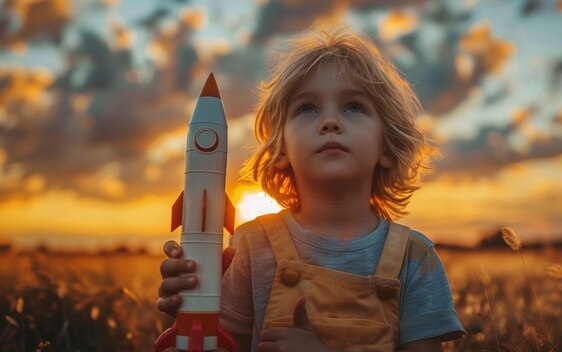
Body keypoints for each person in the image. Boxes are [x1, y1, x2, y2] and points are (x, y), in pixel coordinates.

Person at [158, 25, 465, 352]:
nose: (329, 122)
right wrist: (186, 310)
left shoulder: (415, 258)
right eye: (306, 108)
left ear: (387, 147)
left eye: (353, 107)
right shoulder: (251, 247)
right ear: (281, 152)